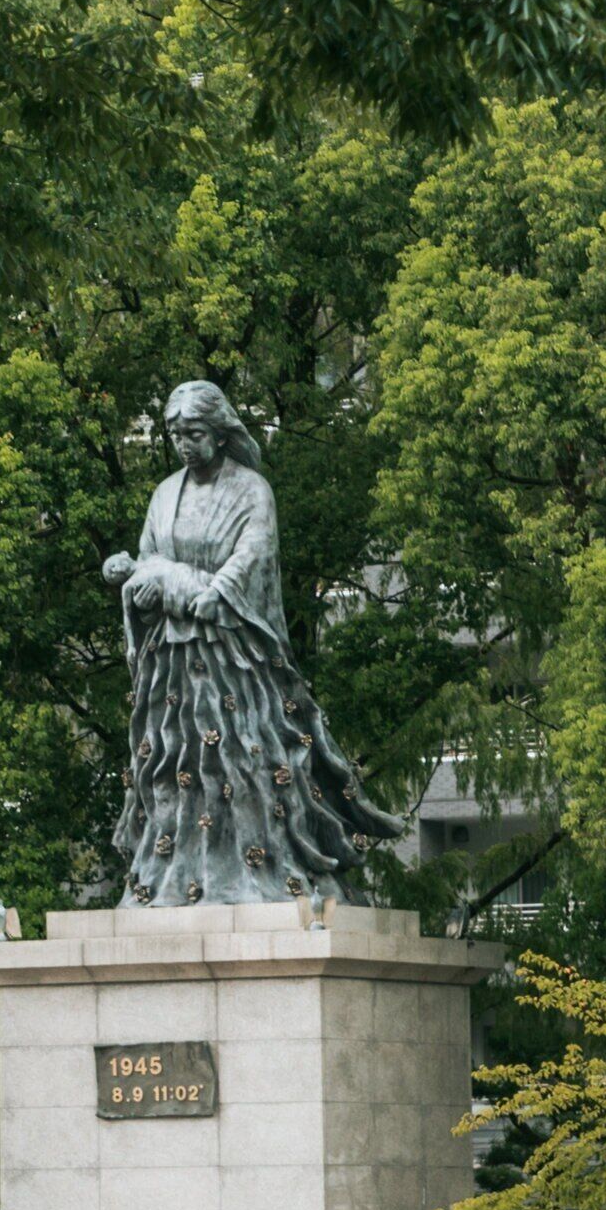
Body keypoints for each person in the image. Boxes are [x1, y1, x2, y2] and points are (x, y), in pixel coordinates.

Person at [101, 380, 406, 907]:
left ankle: (265, 870)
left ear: (220, 433)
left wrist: (188, 587)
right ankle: (170, 875)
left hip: (232, 660)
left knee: (244, 761)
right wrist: (139, 576)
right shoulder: (165, 494)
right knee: (174, 764)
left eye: (194, 433)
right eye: (176, 435)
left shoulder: (250, 490)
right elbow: (151, 557)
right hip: (173, 661)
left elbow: (250, 563)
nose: (185, 445)